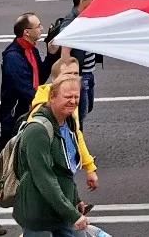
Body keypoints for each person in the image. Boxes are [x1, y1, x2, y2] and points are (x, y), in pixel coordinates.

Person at [0, 13, 54, 236]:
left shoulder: (30, 50)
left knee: (32, 167)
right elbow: (26, 89)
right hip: (14, 122)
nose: (41, 28)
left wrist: (50, 57)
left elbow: (38, 78)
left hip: (26, 117)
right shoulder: (13, 56)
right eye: (38, 26)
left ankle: (41, 217)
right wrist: (48, 103)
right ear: (27, 32)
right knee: (1, 169)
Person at [11, 75, 88, 237]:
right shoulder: (37, 131)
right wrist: (72, 214)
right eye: (68, 97)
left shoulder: (68, 122)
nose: (73, 101)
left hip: (60, 209)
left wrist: (75, 198)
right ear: (52, 97)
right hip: (39, 214)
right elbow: (44, 178)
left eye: (76, 97)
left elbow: (66, 169)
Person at [27, 58, 98, 195]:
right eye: (68, 74)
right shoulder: (40, 113)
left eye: (76, 74)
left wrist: (90, 168)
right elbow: (41, 173)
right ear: (55, 79)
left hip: (65, 175)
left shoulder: (69, 100)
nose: (73, 78)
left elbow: (77, 135)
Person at [46, 0, 99, 123]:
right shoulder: (72, 22)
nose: (96, 0)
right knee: (78, 115)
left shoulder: (85, 17)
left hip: (89, 73)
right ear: (82, 1)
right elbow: (65, 53)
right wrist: (71, 78)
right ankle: (75, 139)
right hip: (82, 75)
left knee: (86, 109)